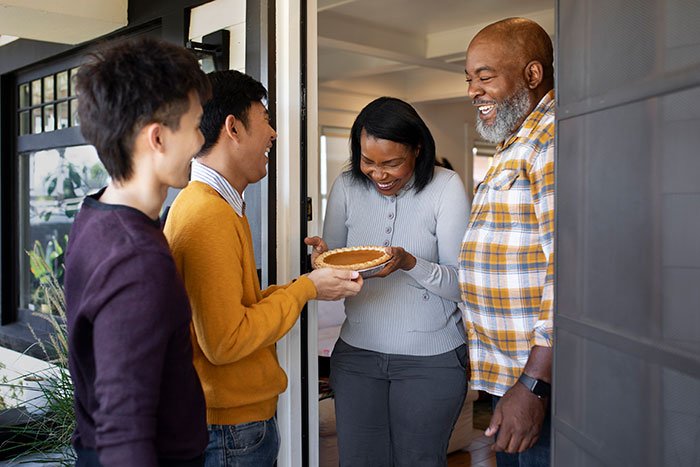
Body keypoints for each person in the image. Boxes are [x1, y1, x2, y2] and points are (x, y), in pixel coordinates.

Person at [163, 69, 363, 467]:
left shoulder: (220, 205)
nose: (274, 134)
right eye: (266, 119)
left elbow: (235, 310)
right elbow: (224, 342)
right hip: (229, 431)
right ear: (232, 128)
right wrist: (306, 288)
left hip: (233, 425)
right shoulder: (206, 214)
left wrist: (309, 282)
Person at [64, 36, 211, 467]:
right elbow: (124, 429)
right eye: (197, 125)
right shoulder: (136, 259)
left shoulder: (95, 214)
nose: (201, 142)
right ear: (158, 138)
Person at [306, 96, 470, 466]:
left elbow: (462, 284)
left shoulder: (445, 187)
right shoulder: (347, 186)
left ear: (417, 149)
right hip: (357, 357)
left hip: (431, 362)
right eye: (369, 162)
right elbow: (338, 264)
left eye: (392, 163)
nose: (379, 174)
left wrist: (410, 263)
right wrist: (322, 260)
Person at [459, 17, 555, 466]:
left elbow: (568, 269)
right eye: (469, 80)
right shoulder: (515, 144)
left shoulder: (552, 140)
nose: (474, 90)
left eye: (485, 77)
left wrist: (535, 384)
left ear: (532, 75)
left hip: (541, 383)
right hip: (511, 376)